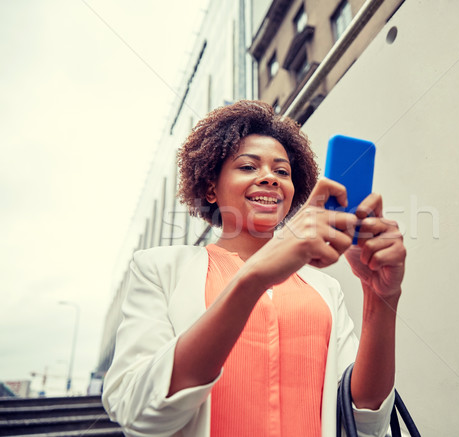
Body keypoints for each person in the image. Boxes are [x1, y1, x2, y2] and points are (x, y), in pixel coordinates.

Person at [102, 100, 406, 437]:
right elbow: (138, 410)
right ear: (210, 188)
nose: (270, 179)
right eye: (248, 167)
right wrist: (254, 276)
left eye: (282, 172)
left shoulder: (324, 289)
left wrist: (381, 297)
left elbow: (364, 420)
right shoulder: (157, 269)